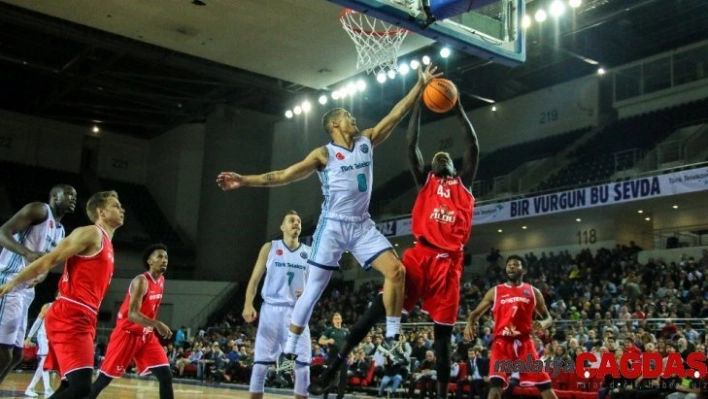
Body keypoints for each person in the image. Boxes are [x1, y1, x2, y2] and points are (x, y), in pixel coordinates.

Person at [217, 64, 441, 360]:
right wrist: (244, 180)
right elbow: (284, 175)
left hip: (361, 225)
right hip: (332, 227)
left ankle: (392, 337)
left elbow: (396, 114)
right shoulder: (323, 155)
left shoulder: (367, 141)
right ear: (335, 124)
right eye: (348, 116)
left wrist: (419, 86)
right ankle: (290, 349)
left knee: (397, 270)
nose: (353, 118)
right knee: (312, 292)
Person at [308, 95, 479, 398]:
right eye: (436, 156)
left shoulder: (463, 184)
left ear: (454, 166)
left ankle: (441, 395)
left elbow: (472, 145)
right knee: (375, 309)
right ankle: (332, 369)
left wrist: (457, 108)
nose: (440, 157)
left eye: (446, 157)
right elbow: (411, 144)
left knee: (442, 340)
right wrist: (417, 105)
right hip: (420, 255)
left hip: (449, 263)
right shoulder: (425, 181)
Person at [0, 190, 124, 399]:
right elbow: (50, 259)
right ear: (101, 211)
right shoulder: (90, 233)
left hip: (84, 316)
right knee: (80, 388)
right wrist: (14, 281)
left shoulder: (107, 243)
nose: (122, 209)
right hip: (71, 314)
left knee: (68, 386)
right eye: (116, 205)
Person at [0, 184, 76, 384]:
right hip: (8, 281)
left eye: (75, 195)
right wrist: (27, 253)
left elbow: (46, 265)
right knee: (4, 354)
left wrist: (41, 275)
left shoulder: (61, 231)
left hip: (25, 291)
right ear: (54, 196)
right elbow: (3, 232)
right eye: (68, 193)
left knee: (16, 356)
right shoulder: (40, 210)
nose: (72, 197)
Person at [85, 243, 173, 399]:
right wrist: (157, 324)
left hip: (145, 335)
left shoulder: (161, 281)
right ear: (150, 261)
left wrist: (152, 326)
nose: (164, 260)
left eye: (166, 257)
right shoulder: (141, 281)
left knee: (166, 375)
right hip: (127, 334)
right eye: (160, 256)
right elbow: (132, 314)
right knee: (104, 380)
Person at [464, 255, 559, 399]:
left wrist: (544, 324)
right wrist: (470, 323)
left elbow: (549, 317)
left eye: (516, 264)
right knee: (495, 387)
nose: (512, 267)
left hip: (525, 343)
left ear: (524, 269)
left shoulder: (533, 291)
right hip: (502, 344)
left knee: (545, 386)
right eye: (509, 265)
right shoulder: (495, 291)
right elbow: (475, 313)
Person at [242, 210, 312, 399]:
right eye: (291, 221)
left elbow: (316, 285)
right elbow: (254, 280)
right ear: (282, 227)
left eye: (298, 221)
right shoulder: (270, 247)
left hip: (298, 312)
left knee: (303, 367)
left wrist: (308, 292)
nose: (296, 223)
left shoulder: (309, 252)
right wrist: (248, 304)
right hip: (271, 310)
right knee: (261, 364)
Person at [23, 294, 58, 397]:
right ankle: (47, 389)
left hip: (54, 338)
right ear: (56, 297)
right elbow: (37, 322)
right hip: (43, 336)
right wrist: (29, 337)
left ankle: (31, 387)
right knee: (45, 361)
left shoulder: (66, 309)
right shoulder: (48, 306)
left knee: (45, 363)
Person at [319, 313, 350, 399]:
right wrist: (328, 341)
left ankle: (340, 396)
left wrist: (352, 354)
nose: (337, 320)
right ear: (333, 321)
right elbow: (320, 341)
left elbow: (350, 343)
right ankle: (325, 395)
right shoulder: (329, 330)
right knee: (329, 376)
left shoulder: (346, 331)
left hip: (343, 356)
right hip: (332, 356)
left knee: (343, 376)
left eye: (338, 318)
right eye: (335, 318)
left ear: (341, 320)